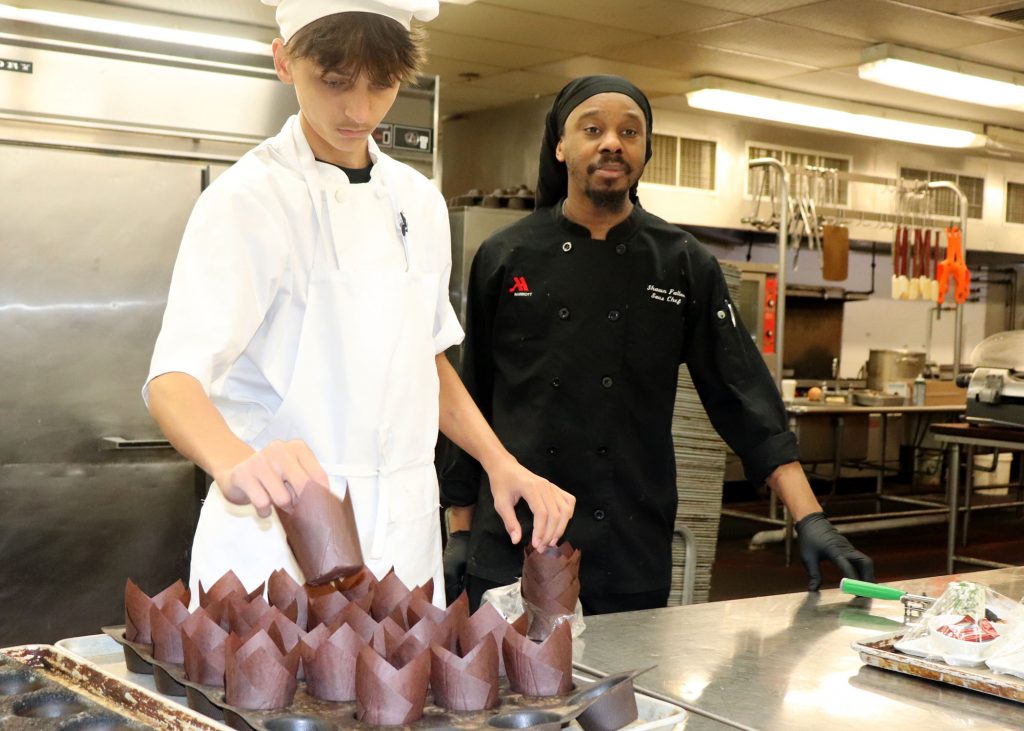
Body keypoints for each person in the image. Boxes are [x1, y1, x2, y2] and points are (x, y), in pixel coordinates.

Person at [144, 0, 574, 607]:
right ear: (283, 63)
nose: (359, 109)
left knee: (405, 697)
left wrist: (499, 462)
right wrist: (234, 462)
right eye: (335, 82)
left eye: (382, 85)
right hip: (279, 535)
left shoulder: (417, 201)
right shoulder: (248, 200)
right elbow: (174, 379)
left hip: (403, 533)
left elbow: (423, 359)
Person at [441, 75, 874, 614]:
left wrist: (811, 520)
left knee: (622, 696)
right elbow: (470, 393)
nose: (612, 143)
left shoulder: (682, 261)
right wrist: (459, 526)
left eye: (630, 132)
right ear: (559, 144)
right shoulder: (506, 255)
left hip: (627, 543)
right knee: (508, 692)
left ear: (645, 151)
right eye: (592, 128)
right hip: (512, 536)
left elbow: (742, 395)